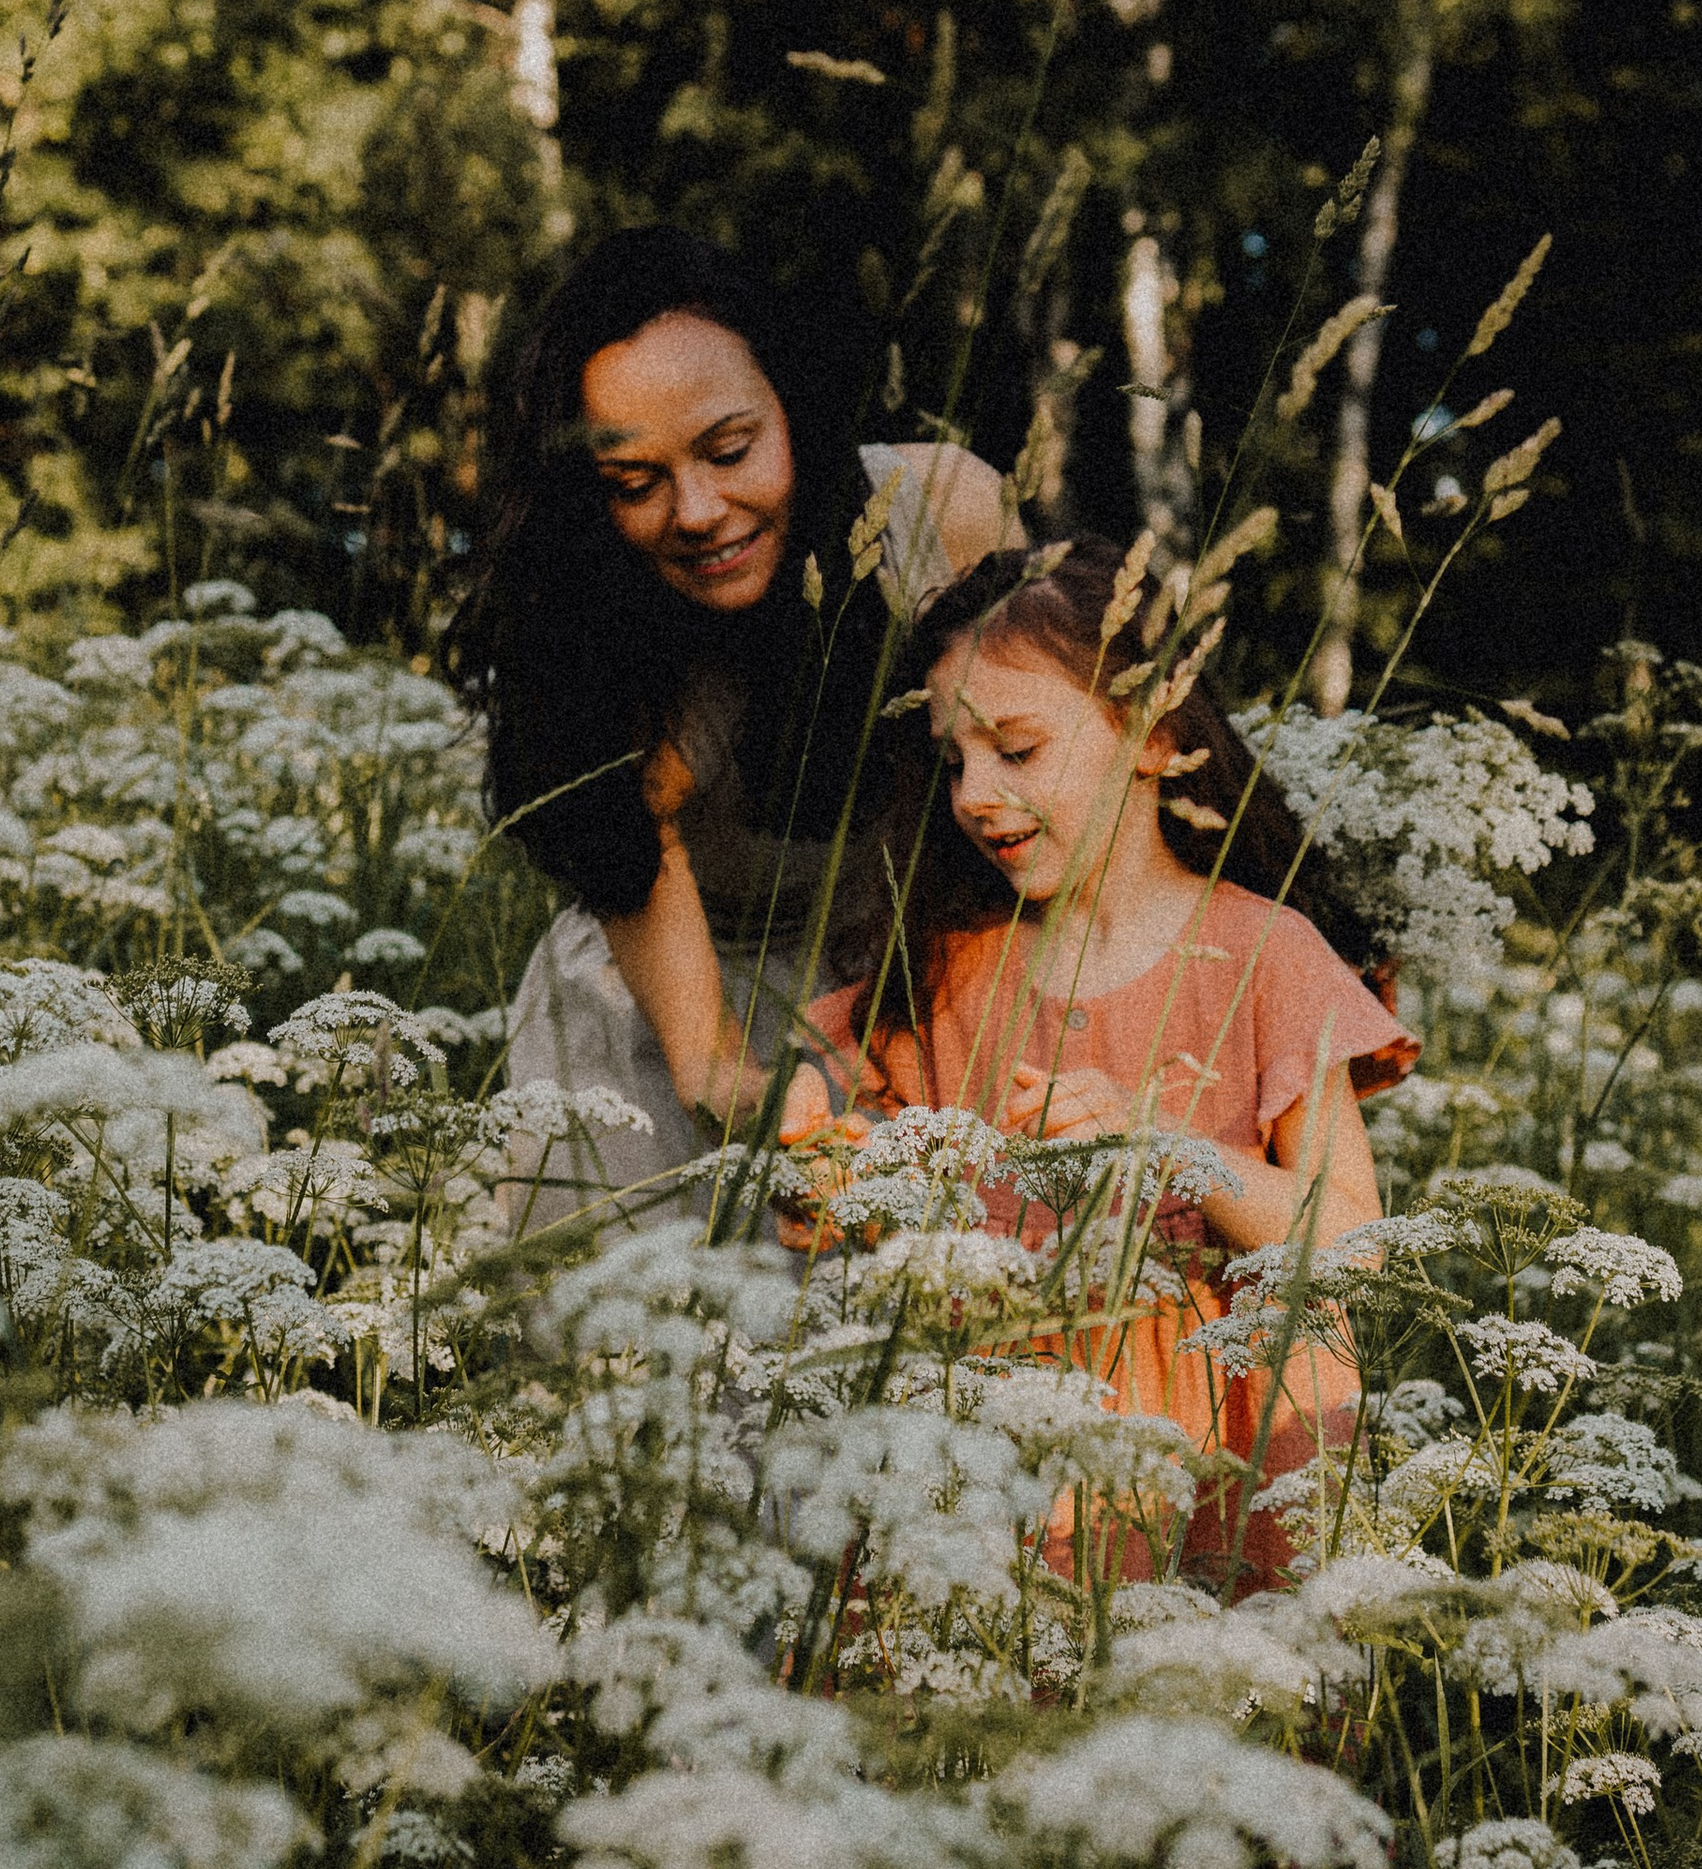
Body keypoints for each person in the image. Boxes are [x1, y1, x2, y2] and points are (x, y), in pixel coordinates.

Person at [616, 535, 1417, 1591]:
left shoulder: (1267, 957)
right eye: (953, 761)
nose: (973, 795)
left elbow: (1353, 1242)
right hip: (971, 1483)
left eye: (1018, 750)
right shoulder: (943, 968)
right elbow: (831, 1183)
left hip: (1211, 1474)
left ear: (1154, 733)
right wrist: (817, 1149)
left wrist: (1167, 1148)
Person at [448, 226, 1021, 1213]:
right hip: (659, 1021)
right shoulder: (589, 630)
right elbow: (706, 1066)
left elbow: (1071, 766)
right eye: (637, 484)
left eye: (728, 449)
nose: (699, 510)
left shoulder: (944, 514)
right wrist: (774, 1108)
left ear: (793, 408)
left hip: (909, 976)